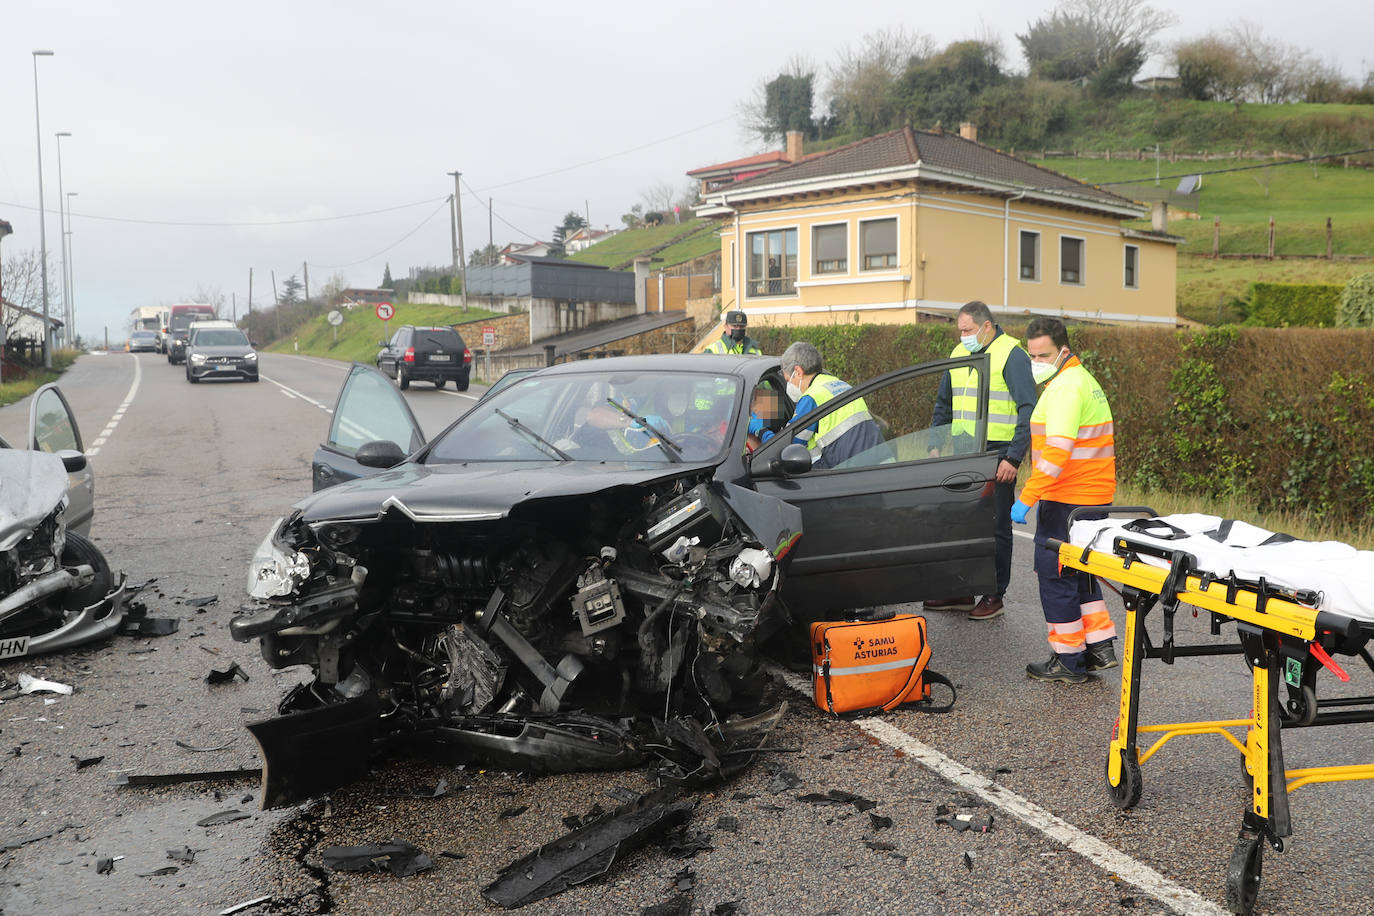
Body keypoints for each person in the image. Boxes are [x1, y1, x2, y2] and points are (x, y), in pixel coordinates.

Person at [1010, 317, 1117, 684]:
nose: (1037, 361)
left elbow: (1056, 455)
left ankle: (1068, 660)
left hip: (1067, 499)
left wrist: (1025, 498)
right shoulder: (1082, 381)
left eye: (1044, 355)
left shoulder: (1066, 389)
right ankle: (1099, 649)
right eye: (1032, 354)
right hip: (1091, 496)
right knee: (1080, 572)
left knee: (1055, 576)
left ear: (1064, 351)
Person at [924, 301, 1037, 621]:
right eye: (960, 331)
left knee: (996, 526)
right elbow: (943, 404)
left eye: (968, 330)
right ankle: (962, 589)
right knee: (962, 523)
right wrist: (935, 444)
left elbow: (1028, 409)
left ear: (987, 326)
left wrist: (1014, 457)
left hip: (997, 452)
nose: (962, 337)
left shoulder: (1012, 355)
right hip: (964, 450)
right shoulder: (959, 355)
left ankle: (994, 594)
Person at [748, 341, 885, 470]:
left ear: (798, 372)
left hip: (851, 474)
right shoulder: (840, 384)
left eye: (788, 380)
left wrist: (761, 431)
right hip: (881, 466)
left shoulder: (812, 397)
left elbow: (786, 447)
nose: (788, 386)